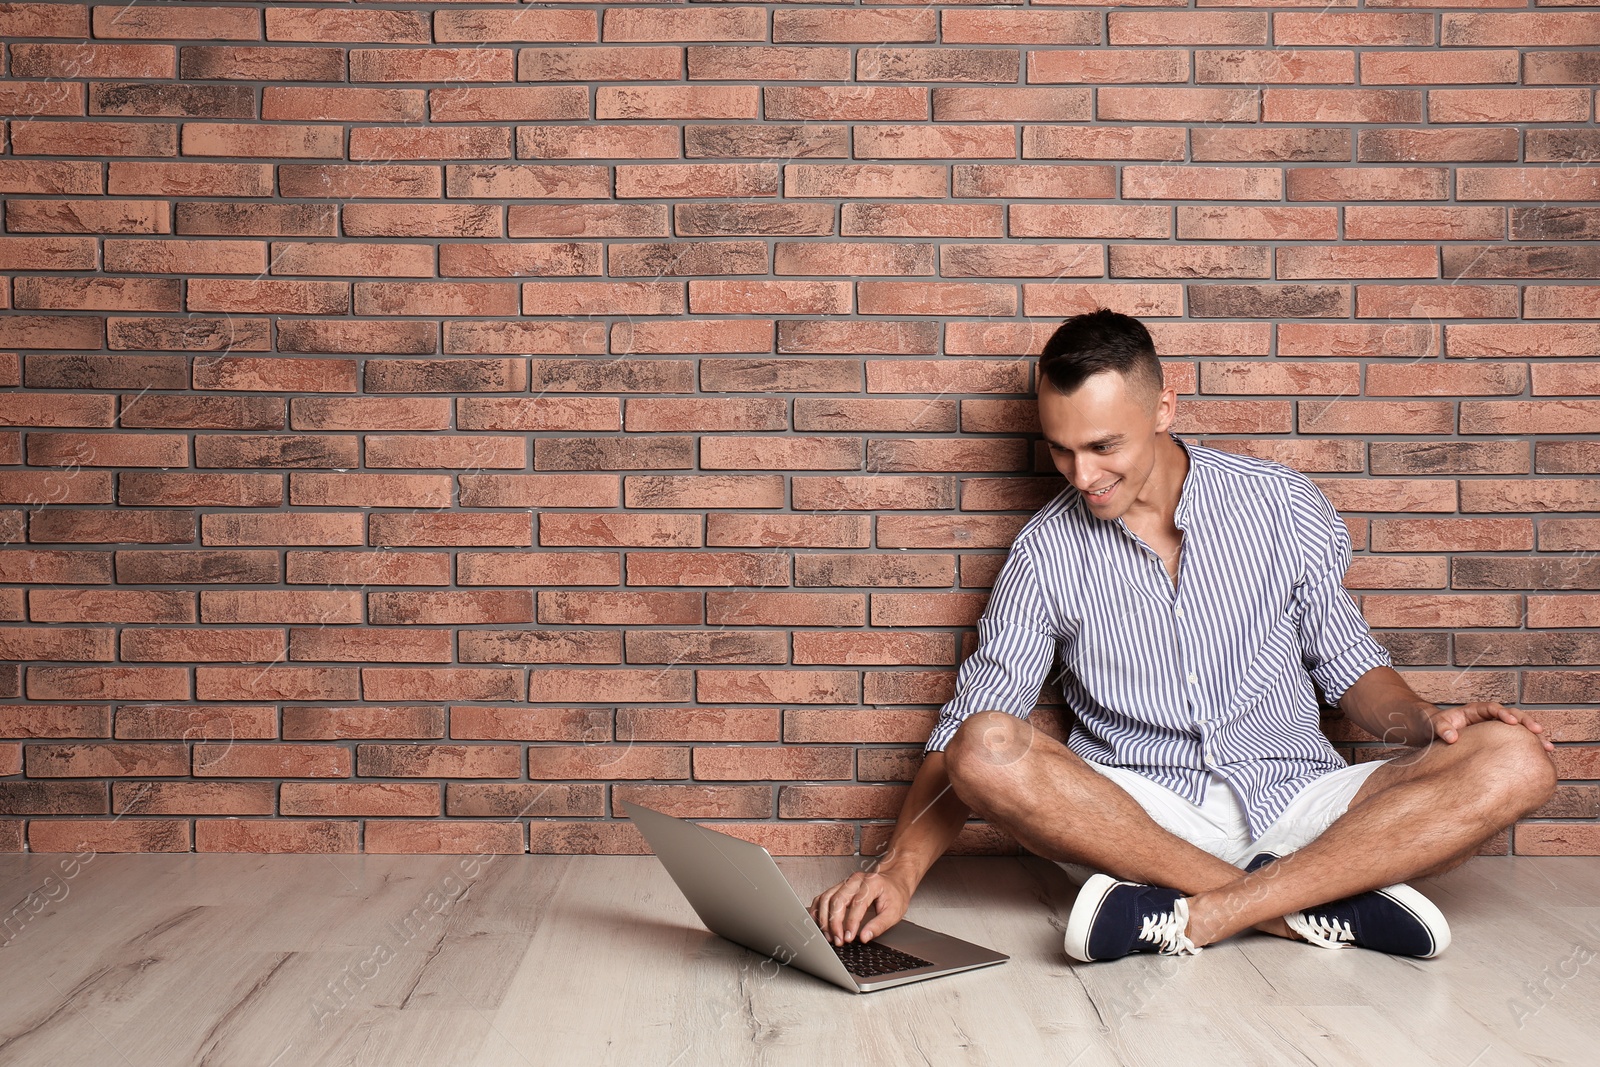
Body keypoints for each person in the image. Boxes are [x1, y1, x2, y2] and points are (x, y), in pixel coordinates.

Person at [807, 308, 1558, 963]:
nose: (1082, 474)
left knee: (1517, 758)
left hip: (1304, 799)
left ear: (1165, 404)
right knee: (983, 741)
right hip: (1141, 819)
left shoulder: (1281, 505)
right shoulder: (1044, 553)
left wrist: (1429, 720)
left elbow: (1350, 664)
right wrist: (898, 870)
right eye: (1060, 450)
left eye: (1104, 446)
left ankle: (1202, 912)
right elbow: (971, 722)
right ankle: (1300, 906)